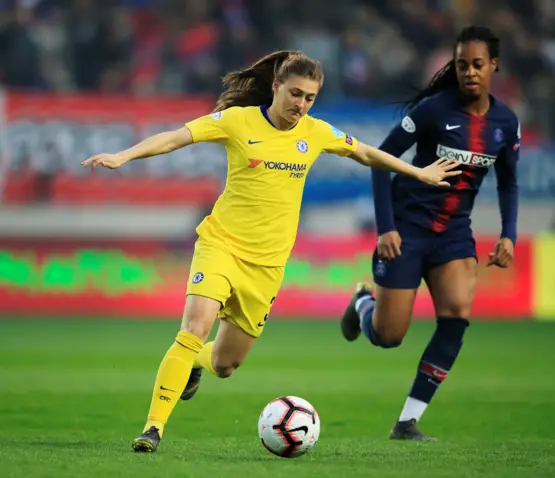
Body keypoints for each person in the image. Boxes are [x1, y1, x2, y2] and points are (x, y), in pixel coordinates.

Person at [81, 50, 461, 453]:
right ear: (276, 86)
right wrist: (123, 156)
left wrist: (419, 171)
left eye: (310, 97)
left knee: (226, 364)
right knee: (194, 328)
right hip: (221, 245)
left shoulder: (315, 132)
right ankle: (153, 429)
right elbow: (176, 137)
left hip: (267, 266)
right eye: (295, 93)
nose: (301, 104)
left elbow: (365, 152)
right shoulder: (237, 121)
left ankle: (196, 364)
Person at [339, 26, 521, 440]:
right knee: (388, 337)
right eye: (461, 65)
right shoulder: (433, 112)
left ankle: (407, 421)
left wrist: (508, 234)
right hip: (407, 230)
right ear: (454, 67)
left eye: (477, 64)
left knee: (456, 315)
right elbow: (380, 161)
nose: (469, 72)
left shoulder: (505, 123)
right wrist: (386, 228)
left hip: (454, 234)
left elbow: (508, 182)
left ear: (494, 65)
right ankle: (364, 301)